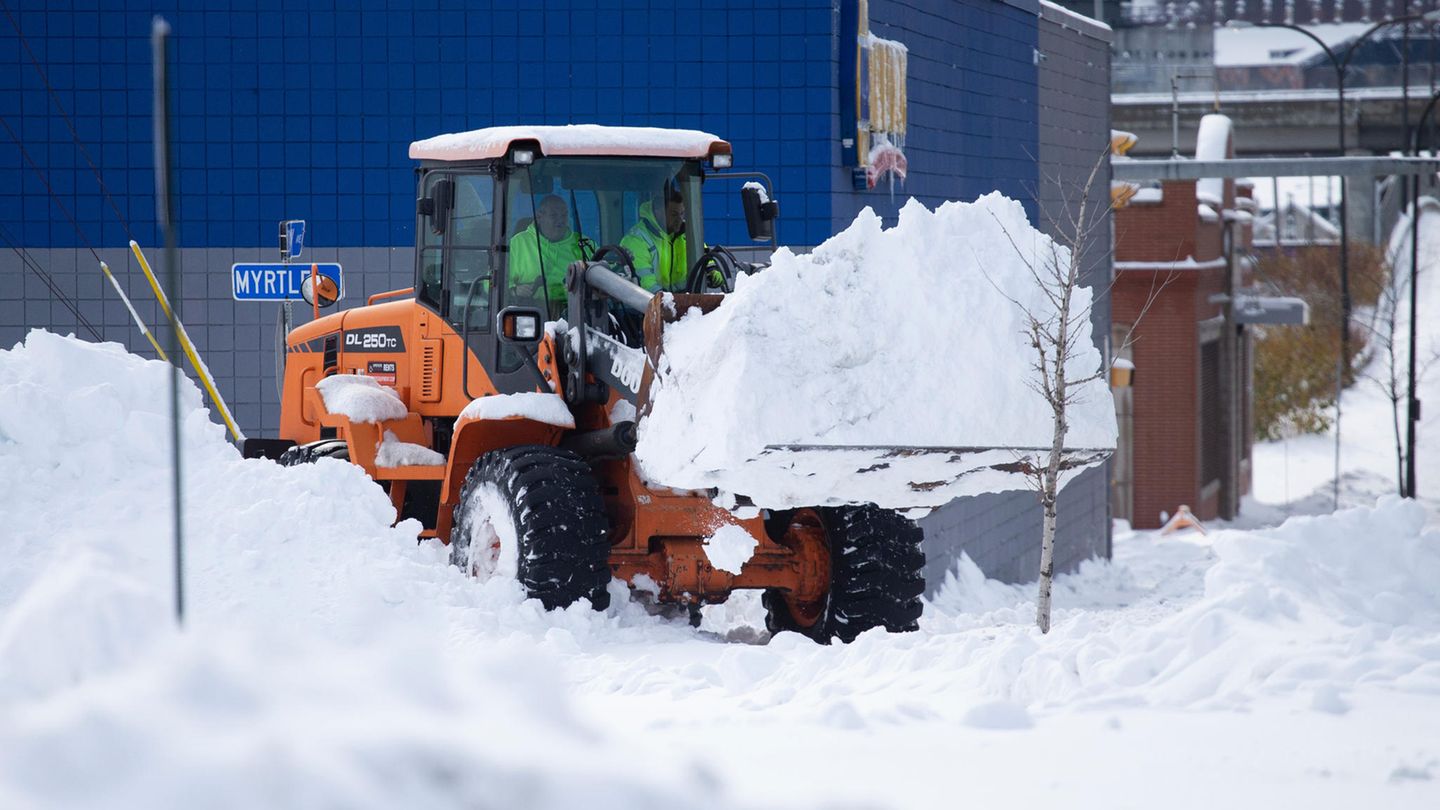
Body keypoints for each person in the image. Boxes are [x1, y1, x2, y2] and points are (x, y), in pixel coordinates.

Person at [507, 194, 592, 312]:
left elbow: (607, 273)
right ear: (539, 217)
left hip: (578, 311)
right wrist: (514, 290)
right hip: (531, 314)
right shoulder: (518, 244)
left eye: (564, 215)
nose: (560, 220)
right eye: (554, 215)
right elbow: (492, 281)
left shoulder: (584, 244)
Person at [620, 182, 688, 292]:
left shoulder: (687, 235)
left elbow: (702, 256)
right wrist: (671, 299)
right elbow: (647, 287)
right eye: (674, 214)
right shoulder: (636, 240)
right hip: (649, 302)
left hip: (683, 299)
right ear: (658, 212)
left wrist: (711, 271)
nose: (680, 219)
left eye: (682, 214)